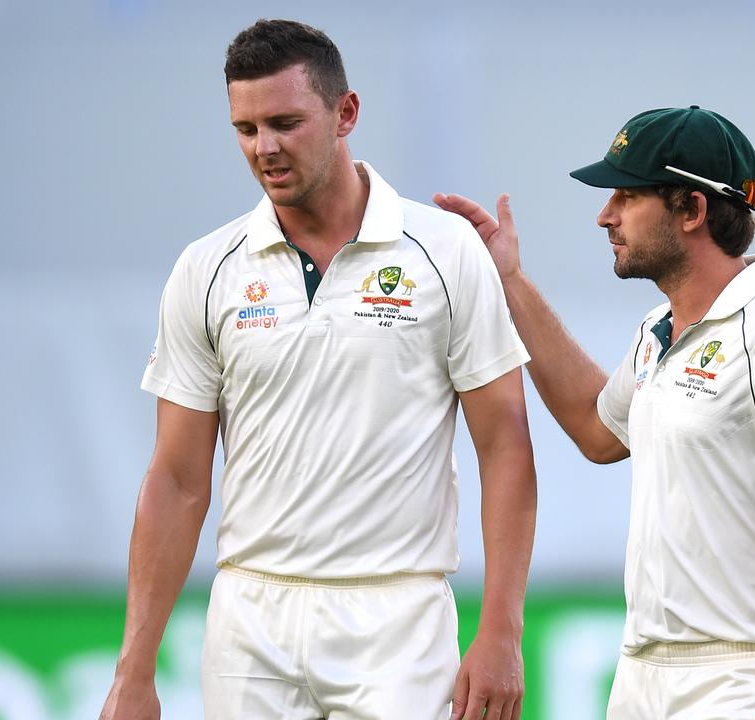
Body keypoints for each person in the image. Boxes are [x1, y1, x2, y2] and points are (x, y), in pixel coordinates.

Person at [100, 19, 536, 720]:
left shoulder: (446, 251)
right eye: (245, 129)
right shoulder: (205, 268)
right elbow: (177, 481)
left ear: (346, 113)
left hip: (397, 618)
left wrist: (502, 631)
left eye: (284, 122)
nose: (264, 148)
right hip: (249, 617)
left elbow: (507, 444)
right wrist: (134, 670)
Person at [435, 106, 755, 719]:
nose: (605, 216)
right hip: (643, 676)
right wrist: (511, 282)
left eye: (627, 196)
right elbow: (596, 429)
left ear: (692, 210)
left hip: (746, 677)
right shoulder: (660, 332)